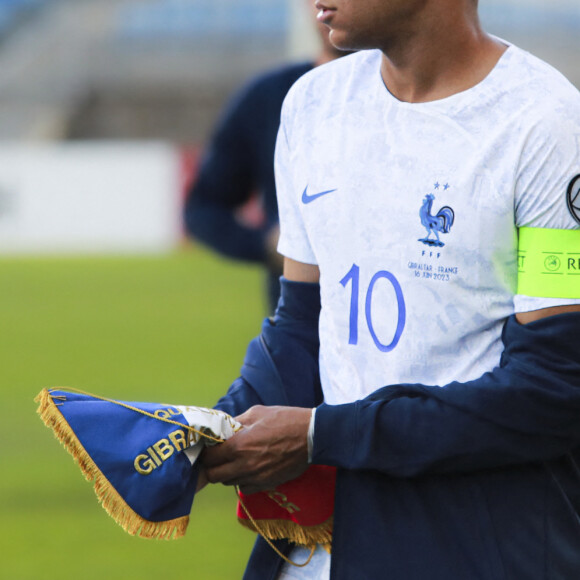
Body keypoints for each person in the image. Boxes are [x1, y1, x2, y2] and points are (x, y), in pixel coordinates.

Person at [200, 0, 580, 578]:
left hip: (479, 540)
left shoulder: (547, 125)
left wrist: (322, 434)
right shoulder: (312, 104)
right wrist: (209, 430)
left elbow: (554, 389)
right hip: (320, 545)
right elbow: (302, 324)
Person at [184, 3, 345, 313]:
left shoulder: (419, 98)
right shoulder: (269, 96)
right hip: (301, 329)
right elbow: (203, 207)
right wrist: (267, 243)